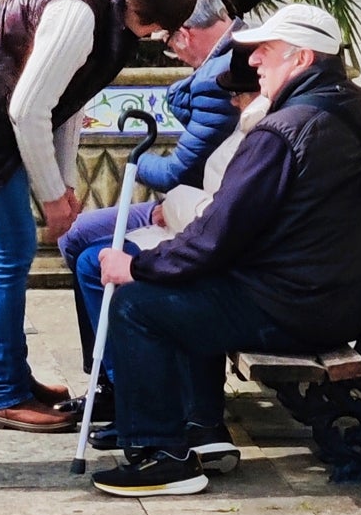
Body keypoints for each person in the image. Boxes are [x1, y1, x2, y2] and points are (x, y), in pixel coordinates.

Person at [89, 4, 361, 497]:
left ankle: (162, 456)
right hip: (336, 295)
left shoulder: (282, 131)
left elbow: (217, 233)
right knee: (179, 281)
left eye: (266, 52)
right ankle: (199, 428)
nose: (253, 63)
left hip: (293, 307)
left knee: (137, 306)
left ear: (301, 58)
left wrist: (139, 266)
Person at [0, 0, 199, 432]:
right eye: (159, 28)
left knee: (15, 248)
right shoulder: (77, 13)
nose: (158, 38)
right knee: (10, 250)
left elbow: (68, 100)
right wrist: (52, 196)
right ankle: (5, 393)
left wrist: (67, 183)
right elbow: (27, 111)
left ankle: (16, 378)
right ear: (146, 12)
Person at [64, 46, 268, 471]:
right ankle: (131, 396)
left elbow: (216, 214)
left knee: (123, 284)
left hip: (212, 249)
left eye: (239, 94)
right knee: (90, 258)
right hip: (196, 232)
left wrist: (166, 210)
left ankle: (167, 417)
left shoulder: (263, 132)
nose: (232, 101)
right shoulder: (248, 122)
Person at [52, 0, 244, 416]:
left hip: (195, 209)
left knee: (87, 252)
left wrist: (136, 163)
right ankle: (107, 375)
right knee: (76, 238)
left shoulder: (222, 76)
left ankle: (122, 384)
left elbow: (177, 168)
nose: (165, 46)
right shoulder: (217, 63)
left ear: (187, 31)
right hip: (193, 202)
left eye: (168, 36)